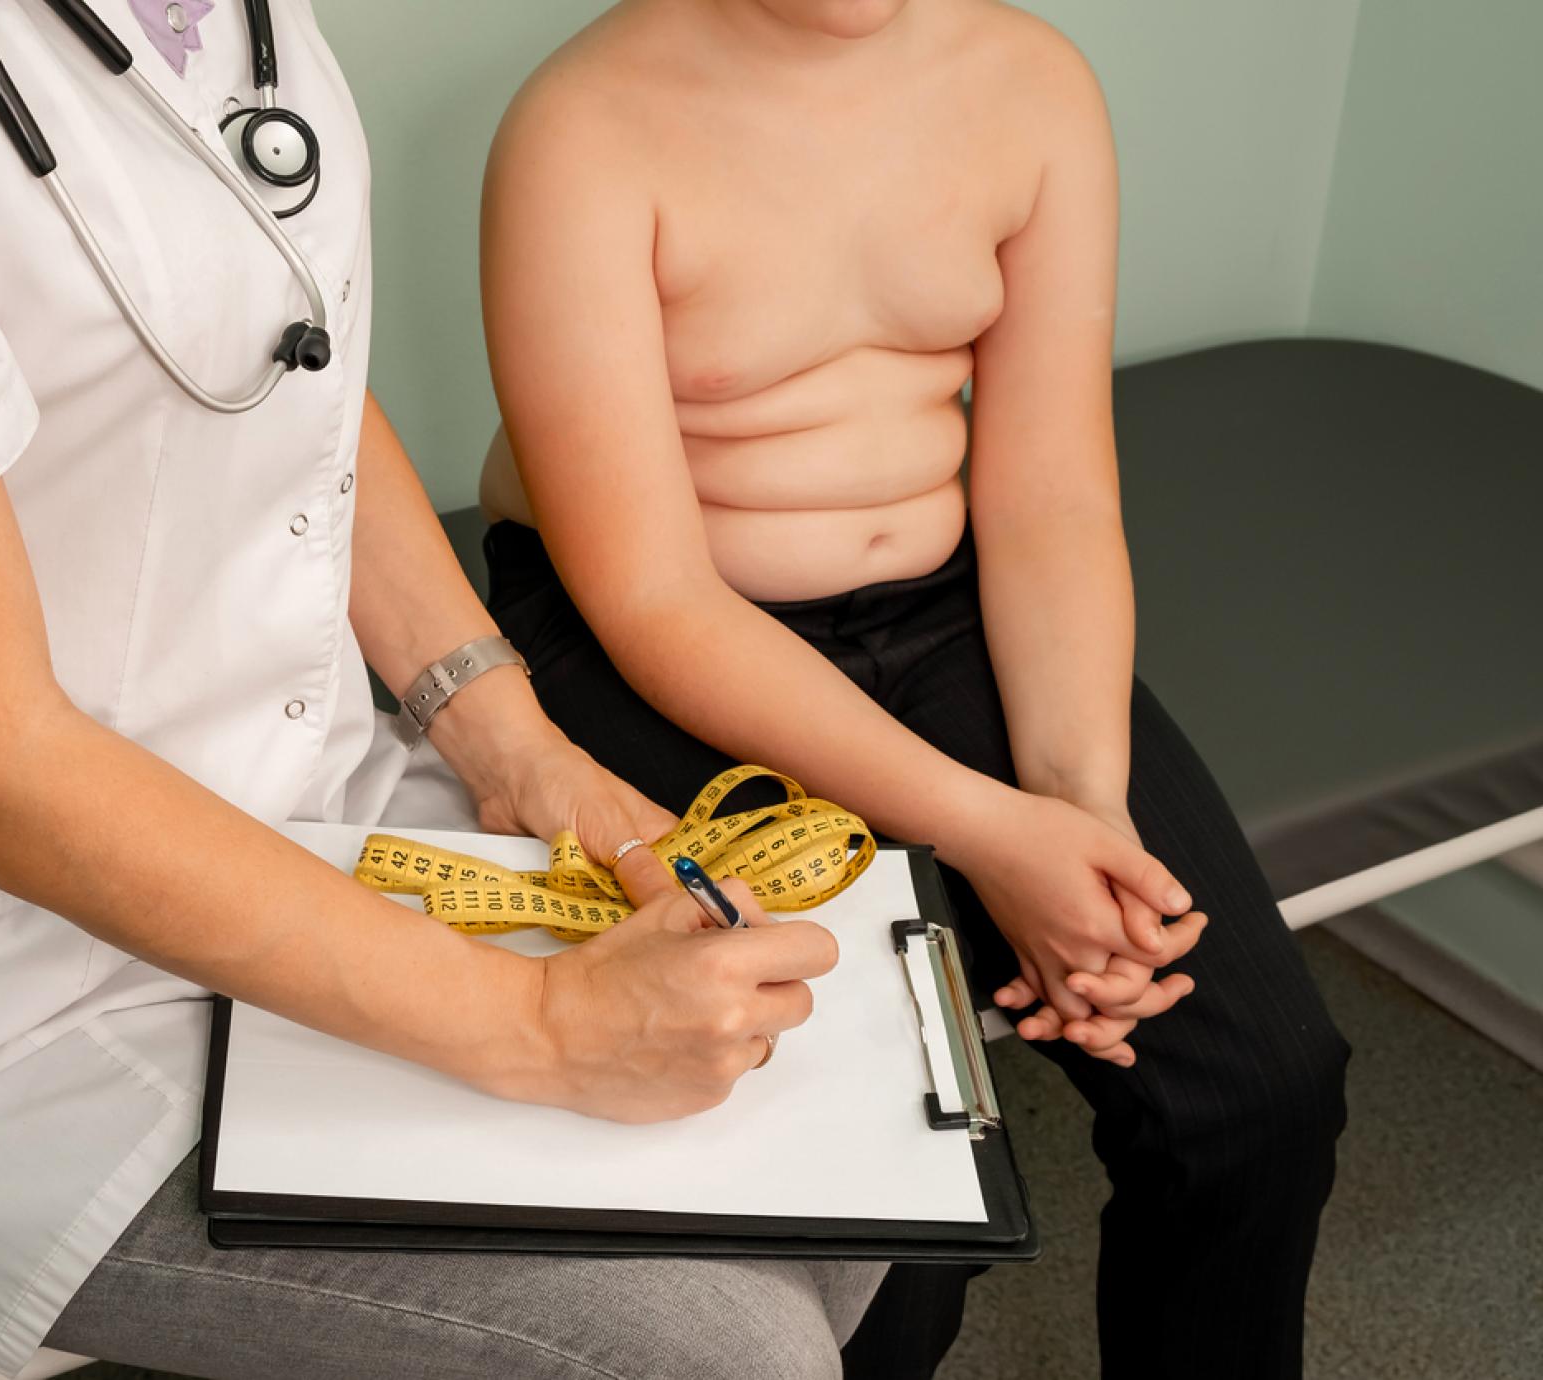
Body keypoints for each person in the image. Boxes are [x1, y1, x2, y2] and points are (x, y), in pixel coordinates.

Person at [0, 3, 884, 1376]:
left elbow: (266, 335)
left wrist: (505, 734)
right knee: (720, 1349)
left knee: (840, 1179)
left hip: (311, 787)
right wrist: (541, 1030)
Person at [477, 1, 1352, 1376]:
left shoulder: (1031, 84)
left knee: (1261, 1088)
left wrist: (1083, 817)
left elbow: (1051, 490)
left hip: (941, 606)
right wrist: (991, 835)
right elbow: (652, 597)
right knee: (890, 1194)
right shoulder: (583, 127)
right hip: (651, 627)